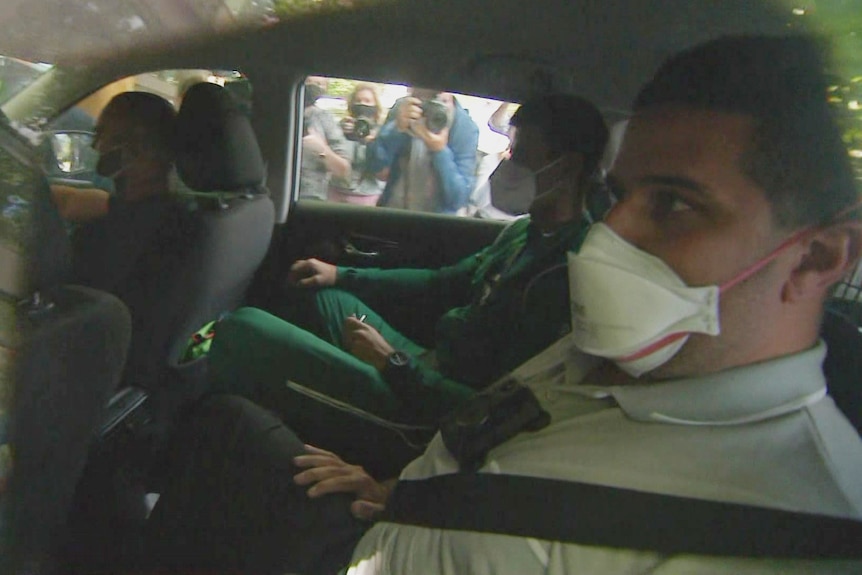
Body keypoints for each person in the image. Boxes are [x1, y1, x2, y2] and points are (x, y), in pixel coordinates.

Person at [141, 35, 862, 574]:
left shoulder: (797, 530)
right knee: (260, 384)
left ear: (820, 257)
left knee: (227, 408)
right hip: (397, 500)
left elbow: (467, 407)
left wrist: (395, 367)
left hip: (386, 492)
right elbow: (462, 315)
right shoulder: (597, 323)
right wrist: (397, 485)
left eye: (674, 204)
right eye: (622, 195)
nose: (615, 229)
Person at [207, 93, 608, 476]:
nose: (508, 162)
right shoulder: (525, 233)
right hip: (426, 364)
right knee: (324, 295)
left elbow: (499, 410)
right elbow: (439, 284)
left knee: (242, 330)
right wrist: (341, 274)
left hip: (432, 418)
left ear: (568, 166)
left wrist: (393, 364)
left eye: (521, 155)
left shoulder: (569, 275)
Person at [50, 91, 183, 294]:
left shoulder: (103, 241)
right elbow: (71, 201)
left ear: (136, 149)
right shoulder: (170, 214)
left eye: (101, 135)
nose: (96, 146)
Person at [367, 88, 479, 213]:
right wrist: (396, 129)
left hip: (435, 224)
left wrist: (440, 151)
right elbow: (374, 167)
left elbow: (458, 200)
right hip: (393, 213)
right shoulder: (403, 108)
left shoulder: (464, 127)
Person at [326, 83, 385, 206]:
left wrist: (372, 143)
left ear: (376, 105)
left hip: (368, 195)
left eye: (367, 101)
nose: (362, 104)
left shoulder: (382, 132)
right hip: (337, 192)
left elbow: (383, 168)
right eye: (358, 100)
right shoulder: (341, 128)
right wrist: (339, 134)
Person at [299, 76, 351, 200]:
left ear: (325, 88)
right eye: (308, 82)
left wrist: (321, 149)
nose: (312, 87)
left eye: (318, 84)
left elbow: (343, 170)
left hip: (311, 198)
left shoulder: (324, 119)